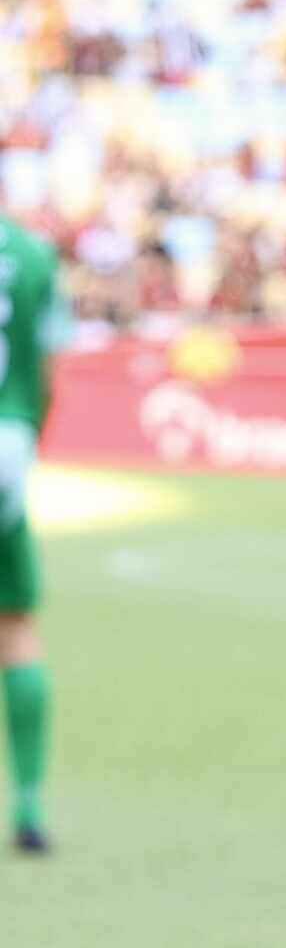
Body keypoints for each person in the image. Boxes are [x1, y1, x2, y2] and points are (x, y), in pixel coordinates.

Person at [0, 211, 69, 854]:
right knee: (15, 624)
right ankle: (27, 803)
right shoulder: (33, 253)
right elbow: (48, 372)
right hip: (9, 446)